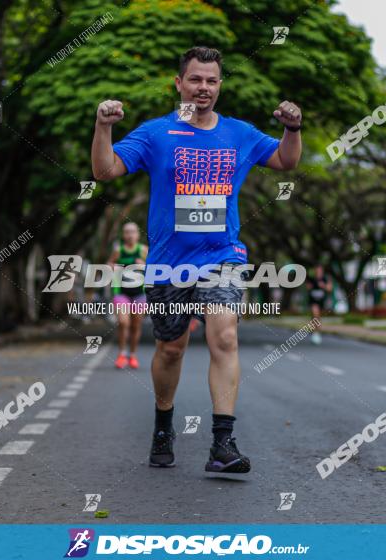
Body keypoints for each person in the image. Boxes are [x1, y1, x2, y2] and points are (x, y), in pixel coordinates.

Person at [91, 46, 302, 473]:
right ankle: (163, 426)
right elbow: (105, 171)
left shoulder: (239, 133)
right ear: (179, 83)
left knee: (224, 337)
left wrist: (293, 129)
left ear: (220, 85)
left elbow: (285, 160)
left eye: (211, 80)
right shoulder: (155, 134)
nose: (203, 88)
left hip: (222, 255)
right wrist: (102, 127)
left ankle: (222, 444)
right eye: (195, 79)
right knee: (171, 348)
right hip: (169, 261)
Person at [107, 222, 148, 369]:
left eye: (133, 232)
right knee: (124, 323)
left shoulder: (143, 250)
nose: (130, 235)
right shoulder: (119, 251)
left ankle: (133, 355)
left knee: (136, 326)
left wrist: (144, 265)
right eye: (127, 232)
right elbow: (109, 264)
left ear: (137, 234)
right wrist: (113, 266)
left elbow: (155, 268)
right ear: (123, 235)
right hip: (121, 292)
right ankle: (122, 354)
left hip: (139, 293)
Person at [306, 264, 332, 344]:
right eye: (317, 270)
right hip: (313, 300)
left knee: (317, 318)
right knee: (315, 314)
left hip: (321, 301)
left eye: (319, 270)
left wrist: (323, 286)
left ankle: (316, 332)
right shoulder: (311, 279)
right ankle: (315, 333)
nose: (318, 272)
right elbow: (307, 287)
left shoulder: (325, 279)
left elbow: (329, 289)